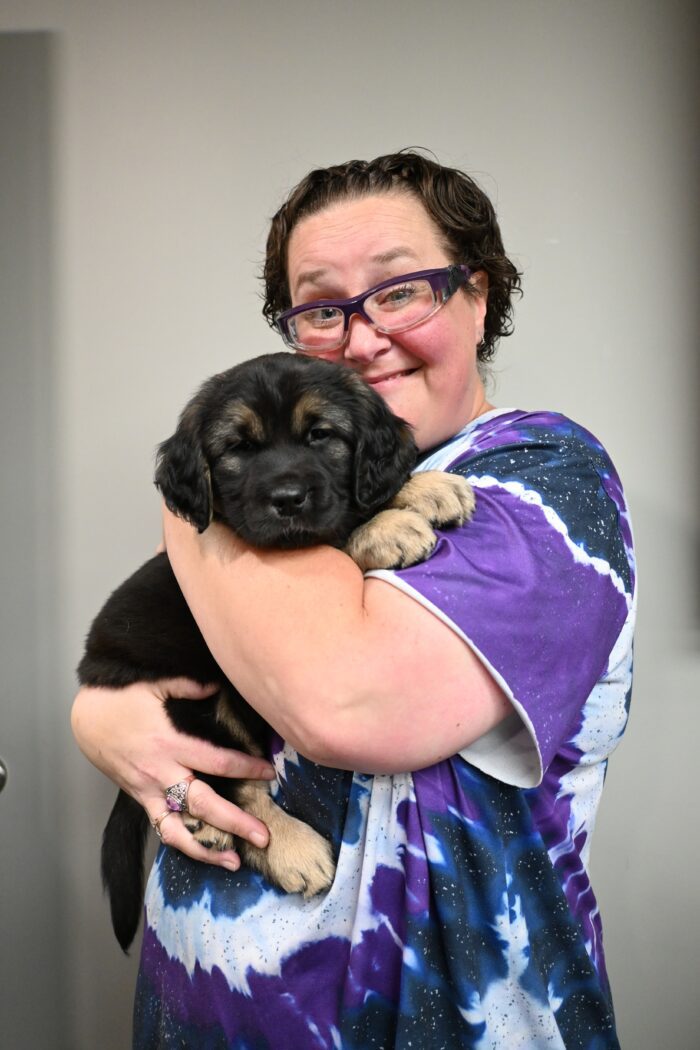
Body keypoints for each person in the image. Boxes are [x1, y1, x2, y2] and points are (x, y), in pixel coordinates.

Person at [72, 151, 635, 1049]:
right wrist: (101, 715)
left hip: (440, 1020)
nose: (363, 337)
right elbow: (185, 631)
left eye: (401, 288)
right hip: (204, 1002)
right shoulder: (279, 468)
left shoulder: (546, 476)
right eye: (323, 307)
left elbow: (347, 700)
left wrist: (193, 521)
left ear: (478, 295)